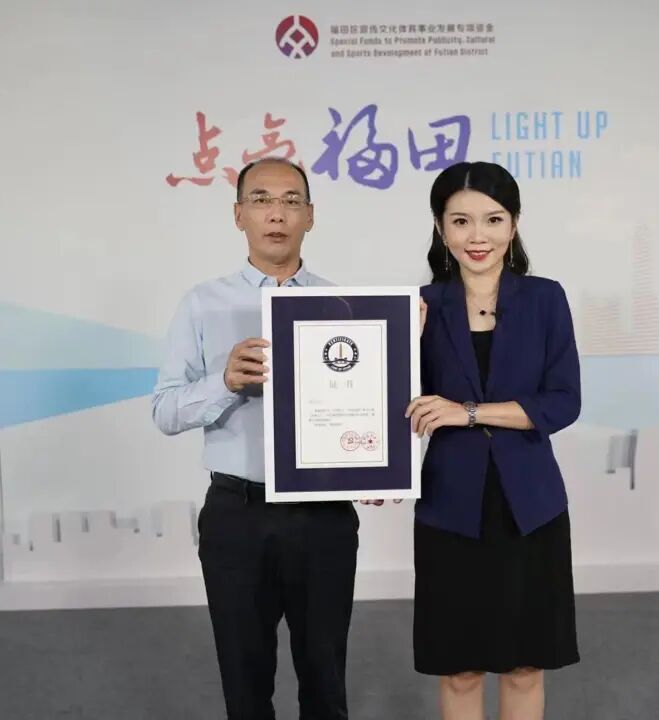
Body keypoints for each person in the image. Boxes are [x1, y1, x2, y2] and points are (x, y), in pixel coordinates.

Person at [152, 158, 359, 720]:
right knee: (245, 687)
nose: (277, 214)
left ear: (310, 216)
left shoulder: (349, 307)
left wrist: (374, 460)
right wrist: (222, 382)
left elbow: (365, 405)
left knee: (326, 682)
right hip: (237, 516)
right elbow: (165, 411)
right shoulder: (202, 303)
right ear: (238, 214)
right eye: (262, 200)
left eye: (292, 201)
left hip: (323, 515)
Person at [406, 161, 581, 720]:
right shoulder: (419, 306)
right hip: (450, 507)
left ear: (514, 223)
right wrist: (400, 345)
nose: (476, 236)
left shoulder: (545, 299)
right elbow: (396, 407)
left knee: (526, 666)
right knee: (460, 669)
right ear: (441, 228)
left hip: (530, 505)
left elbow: (563, 402)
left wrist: (468, 412)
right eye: (460, 221)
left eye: (493, 219)